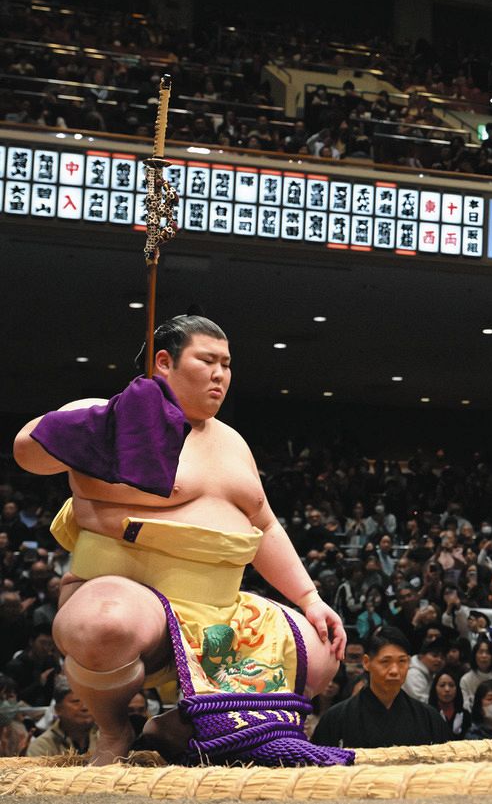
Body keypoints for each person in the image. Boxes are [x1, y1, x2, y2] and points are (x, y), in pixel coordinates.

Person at [13, 315, 345, 765]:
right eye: (207, 360)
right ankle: (113, 730)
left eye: (226, 364)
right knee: (103, 624)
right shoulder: (105, 417)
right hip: (131, 598)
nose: (220, 374)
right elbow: (26, 452)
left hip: (221, 611)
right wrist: (104, 422)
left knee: (323, 650)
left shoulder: (232, 442)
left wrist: (309, 597)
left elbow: (264, 525)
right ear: (164, 362)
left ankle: (173, 729)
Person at [311, 627, 449, 748]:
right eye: (385, 662)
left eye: (402, 661)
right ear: (366, 663)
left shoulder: (429, 718)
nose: (394, 670)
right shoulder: (336, 718)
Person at [27, 680, 99, 757]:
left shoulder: (104, 737)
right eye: (76, 701)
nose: (85, 707)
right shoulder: (42, 747)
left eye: (88, 700)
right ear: (58, 709)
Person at [427, 670, 469, 740]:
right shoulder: (428, 715)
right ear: (435, 688)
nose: (447, 689)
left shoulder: (465, 715)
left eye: (451, 685)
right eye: (442, 685)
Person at [459, 639, 492, 710]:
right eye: (480, 652)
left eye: (488, 652)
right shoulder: (466, 680)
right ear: (474, 655)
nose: (484, 656)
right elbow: (465, 706)